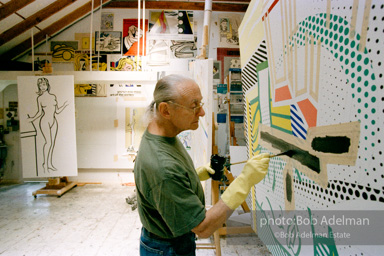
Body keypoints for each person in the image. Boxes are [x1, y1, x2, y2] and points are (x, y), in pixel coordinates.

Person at [134, 74, 270, 256]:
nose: (202, 112)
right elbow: (203, 228)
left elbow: (165, 185)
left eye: (200, 104)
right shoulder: (162, 166)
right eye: (193, 106)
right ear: (166, 110)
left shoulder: (161, 132)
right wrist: (244, 182)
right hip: (167, 249)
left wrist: (196, 174)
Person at [27, 77, 68, 173]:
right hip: (45, 121)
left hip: (54, 121)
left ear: (47, 85)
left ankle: (49, 164)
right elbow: (39, 112)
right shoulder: (40, 98)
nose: (42, 87)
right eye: (40, 85)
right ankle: (45, 163)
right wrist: (32, 119)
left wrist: (65, 105)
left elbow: (57, 111)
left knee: (52, 143)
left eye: (44, 84)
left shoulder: (53, 96)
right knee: (48, 142)